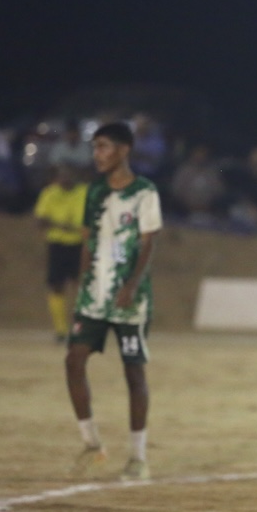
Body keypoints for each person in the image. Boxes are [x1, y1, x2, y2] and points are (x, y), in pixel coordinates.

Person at [67, 122, 163, 482]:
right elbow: (88, 240)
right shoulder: (95, 191)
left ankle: (138, 457)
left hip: (129, 300)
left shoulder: (144, 192)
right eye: (95, 147)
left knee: (133, 371)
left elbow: (148, 243)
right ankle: (91, 444)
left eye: (103, 146)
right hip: (95, 295)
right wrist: (83, 283)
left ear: (124, 150)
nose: (97, 154)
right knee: (73, 360)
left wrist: (132, 285)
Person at [34, 163, 88, 341]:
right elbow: (40, 220)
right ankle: (61, 330)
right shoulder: (49, 193)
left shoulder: (85, 192)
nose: (66, 178)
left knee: (81, 286)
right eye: (62, 175)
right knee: (56, 285)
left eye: (69, 174)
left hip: (80, 245)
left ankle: (81, 328)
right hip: (57, 245)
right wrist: (63, 226)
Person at [169, 143, 225, 224]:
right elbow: (176, 191)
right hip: (184, 214)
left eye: (203, 154)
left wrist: (207, 205)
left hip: (208, 214)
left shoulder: (212, 173)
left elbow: (219, 191)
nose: (200, 157)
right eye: (198, 153)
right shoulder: (184, 171)